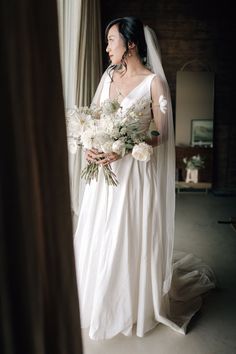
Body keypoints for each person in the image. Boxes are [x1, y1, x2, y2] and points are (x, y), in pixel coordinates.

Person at [73, 16, 215, 340]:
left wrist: (124, 148)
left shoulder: (154, 83)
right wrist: (89, 148)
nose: (107, 47)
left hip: (134, 174)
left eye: (111, 40)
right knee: (100, 231)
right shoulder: (108, 75)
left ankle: (129, 304)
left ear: (131, 43)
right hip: (104, 171)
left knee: (126, 233)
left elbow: (162, 134)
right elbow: (94, 119)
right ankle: (95, 298)